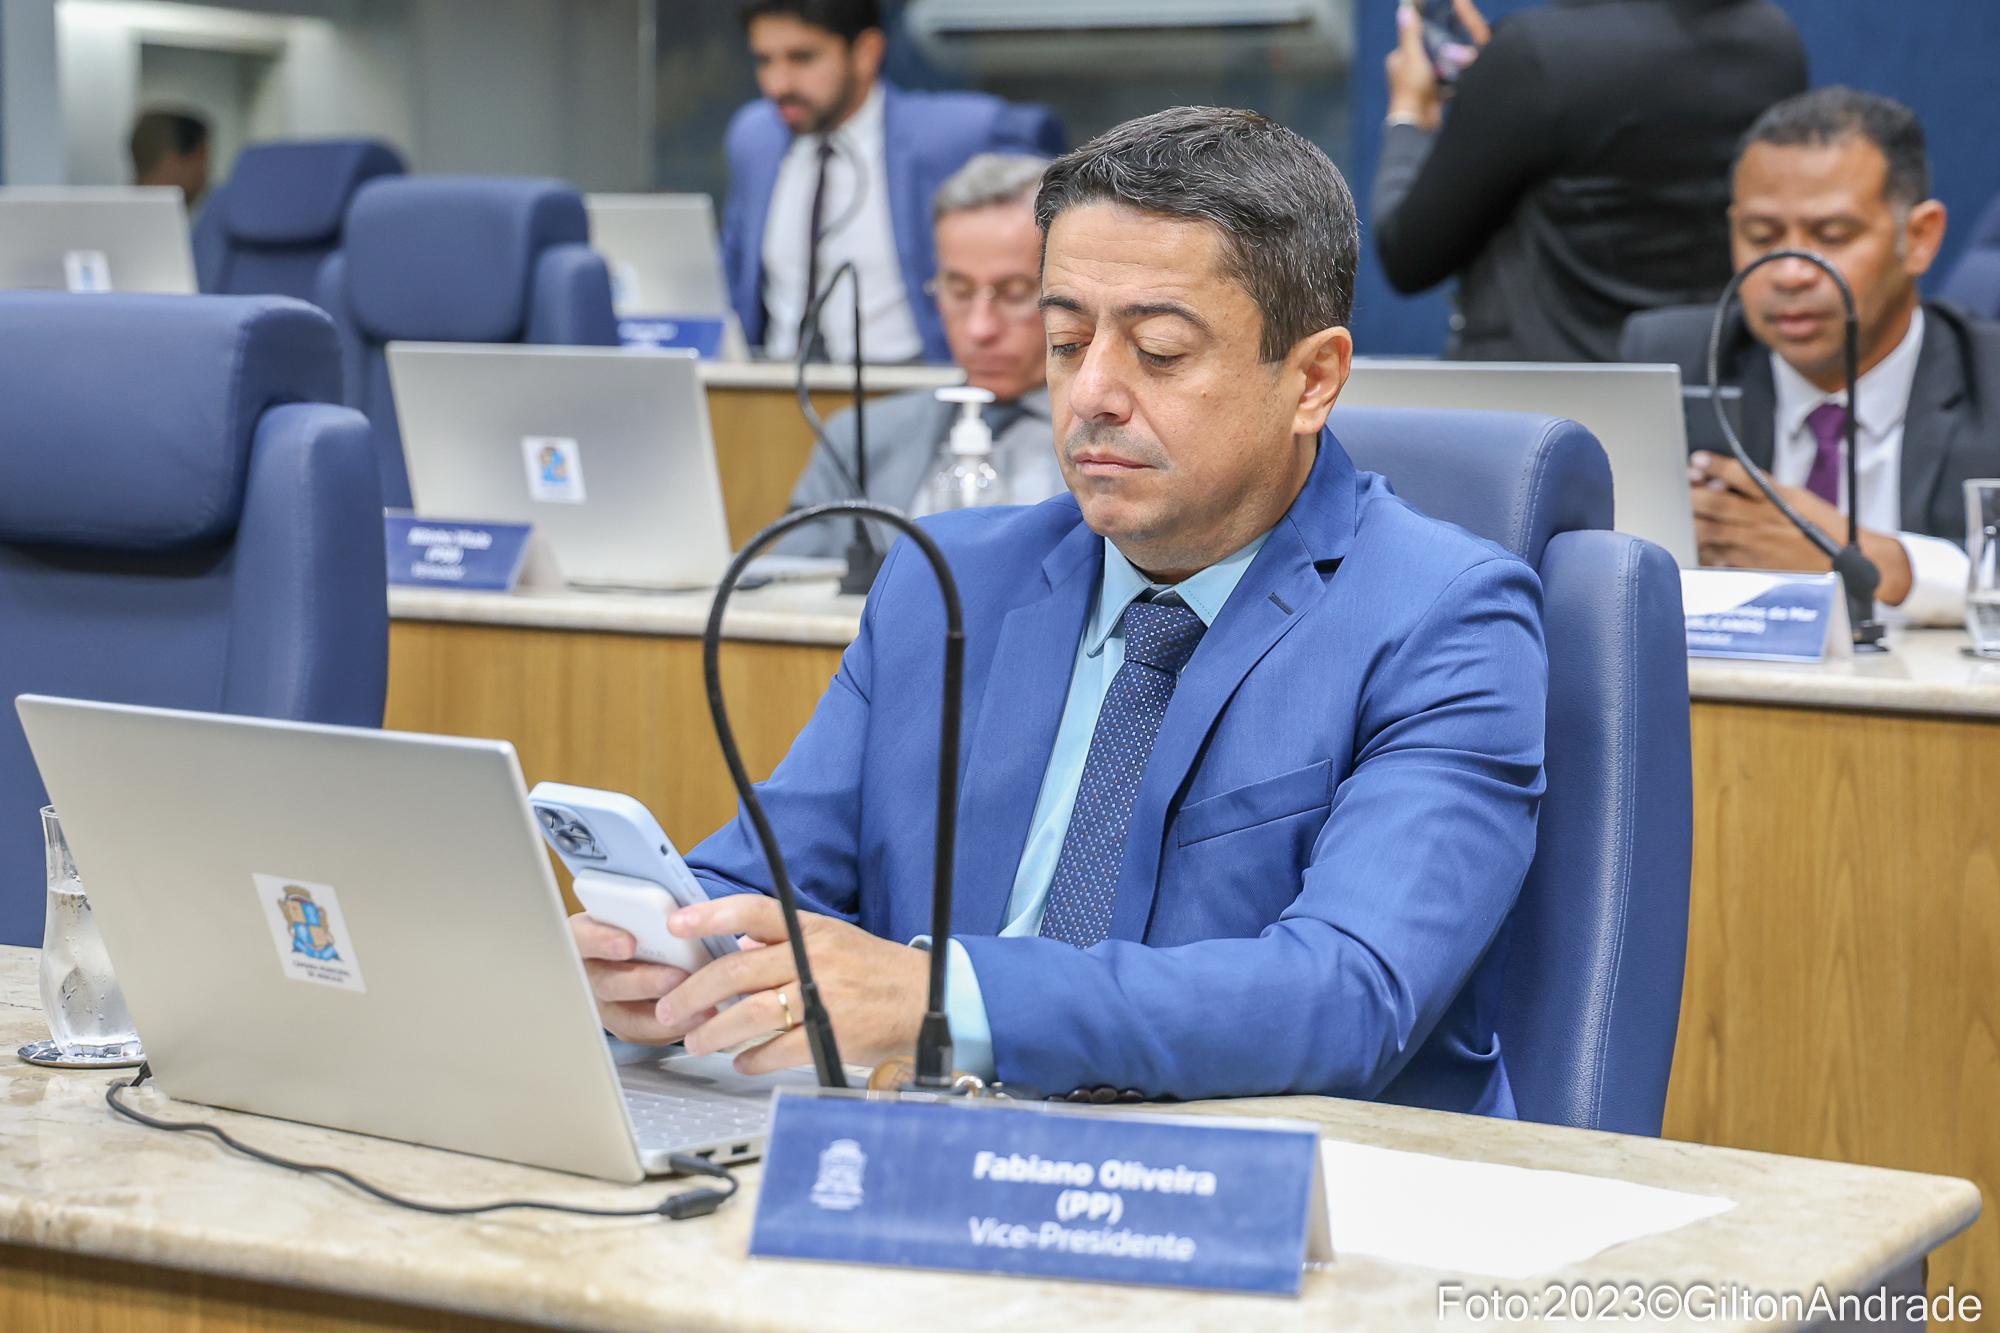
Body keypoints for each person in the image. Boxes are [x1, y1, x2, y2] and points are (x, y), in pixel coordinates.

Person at [575, 107, 1548, 1112]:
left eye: (1158, 351)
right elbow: (761, 886)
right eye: (1066, 340)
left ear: (1313, 379)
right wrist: (662, 960)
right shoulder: (945, 581)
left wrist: (946, 1000)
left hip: (1281, 1175)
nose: (1090, 394)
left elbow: (1346, 995)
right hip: (928, 1147)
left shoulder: (1444, 617)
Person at [1622, 87, 2000, 626]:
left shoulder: (1990, 377)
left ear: (1919, 237)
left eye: (1833, 236)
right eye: (1762, 237)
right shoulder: (1670, 360)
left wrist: (1874, 564)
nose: (1790, 272)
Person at [1373, 0, 1806, 361]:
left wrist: (1409, 116)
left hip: (1545, 404)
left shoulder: (1535, 55)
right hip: (1700, 390)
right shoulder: (1774, 39)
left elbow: (1407, 255)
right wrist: (1497, 89)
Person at [720, 0, 1063, 366]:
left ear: (866, 52)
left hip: (916, 378)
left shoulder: (958, 135)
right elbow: (734, 274)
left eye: (803, 58)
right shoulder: (754, 137)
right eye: (764, 61)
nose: (778, 84)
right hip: (775, 379)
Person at [777, 153, 1065, 558]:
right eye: (959, 291)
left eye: (1014, 293)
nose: (980, 329)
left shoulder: (1115, 443)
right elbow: (785, 580)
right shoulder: (859, 439)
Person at [129, 111, 211, 209]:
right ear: (198, 153)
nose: (205, 178)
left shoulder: (118, 213)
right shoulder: (214, 213)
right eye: (204, 162)